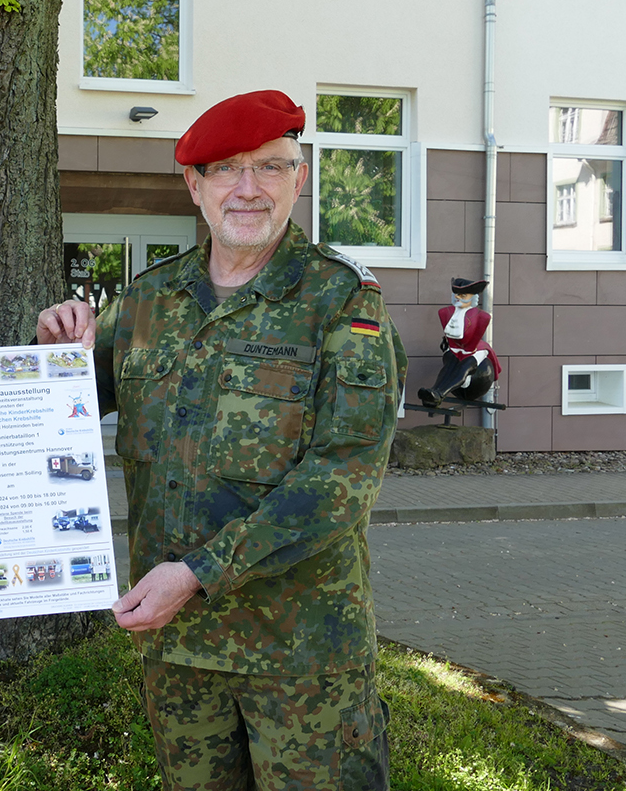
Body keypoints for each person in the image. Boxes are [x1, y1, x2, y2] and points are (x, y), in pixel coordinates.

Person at [38, 90, 407, 790]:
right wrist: (53, 356)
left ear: (299, 179)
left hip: (301, 655)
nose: (248, 189)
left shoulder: (343, 302)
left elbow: (342, 482)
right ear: (194, 186)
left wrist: (199, 573)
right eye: (226, 170)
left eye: (270, 167)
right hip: (179, 655)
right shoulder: (148, 301)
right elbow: (62, 422)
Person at [416, 277, 500, 406]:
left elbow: (474, 338)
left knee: (465, 366)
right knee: (449, 365)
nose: (458, 298)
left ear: (473, 298)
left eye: (463, 295)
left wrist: (465, 353)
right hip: (455, 348)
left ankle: (440, 394)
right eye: (456, 294)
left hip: (474, 349)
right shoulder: (445, 313)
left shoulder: (482, 317)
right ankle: (433, 392)